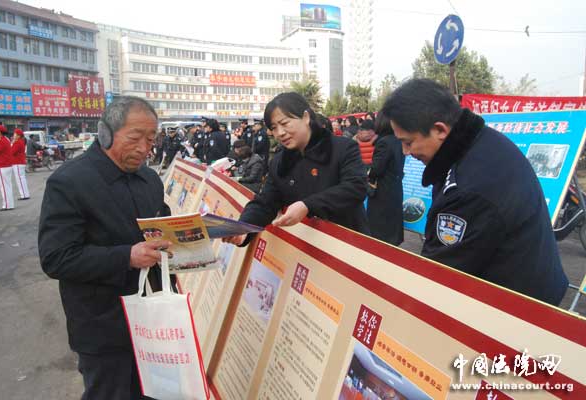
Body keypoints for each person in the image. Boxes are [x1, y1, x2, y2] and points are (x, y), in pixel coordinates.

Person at [382, 78, 568, 305]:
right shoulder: (481, 141)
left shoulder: (467, 189)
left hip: (517, 307)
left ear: (440, 129)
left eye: (408, 142)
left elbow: (439, 275)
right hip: (532, 284)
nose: (405, 151)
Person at [38, 96, 172, 399]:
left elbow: (160, 225)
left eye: (151, 140)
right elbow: (56, 258)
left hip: (153, 322)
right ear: (105, 133)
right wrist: (127, 256)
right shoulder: (68, 182)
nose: (144, 148)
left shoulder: (150, 180)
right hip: (103, 327)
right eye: (135, 138)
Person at [223, 92, 369, 247]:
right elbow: (266, 202)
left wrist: (308, 205)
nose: (280, 133)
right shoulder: (280, 161)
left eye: (285, 123)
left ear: (306, 117)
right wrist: (243, 227)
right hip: (305, 249)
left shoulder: (342, 148)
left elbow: (355, 187)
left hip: (347, 246)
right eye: (274, 128)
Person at [366, 112, 405, 245]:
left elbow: (377, 169)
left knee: (380, 228)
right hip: (395, 187)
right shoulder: (398, 140)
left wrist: (367, 170)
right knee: (392, 224)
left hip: (383, 190)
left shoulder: (383, 142)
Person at [10, 128, 30, 200]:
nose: (13, 135)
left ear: (18, 136)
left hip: (17, 162)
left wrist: (12, 143)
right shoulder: (20, 141)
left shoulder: (17, 142)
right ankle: (25, 194)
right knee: (22, 179)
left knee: (20, 179)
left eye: (14, 134)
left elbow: (11, 152)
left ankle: (24, 195)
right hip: (20, 162)